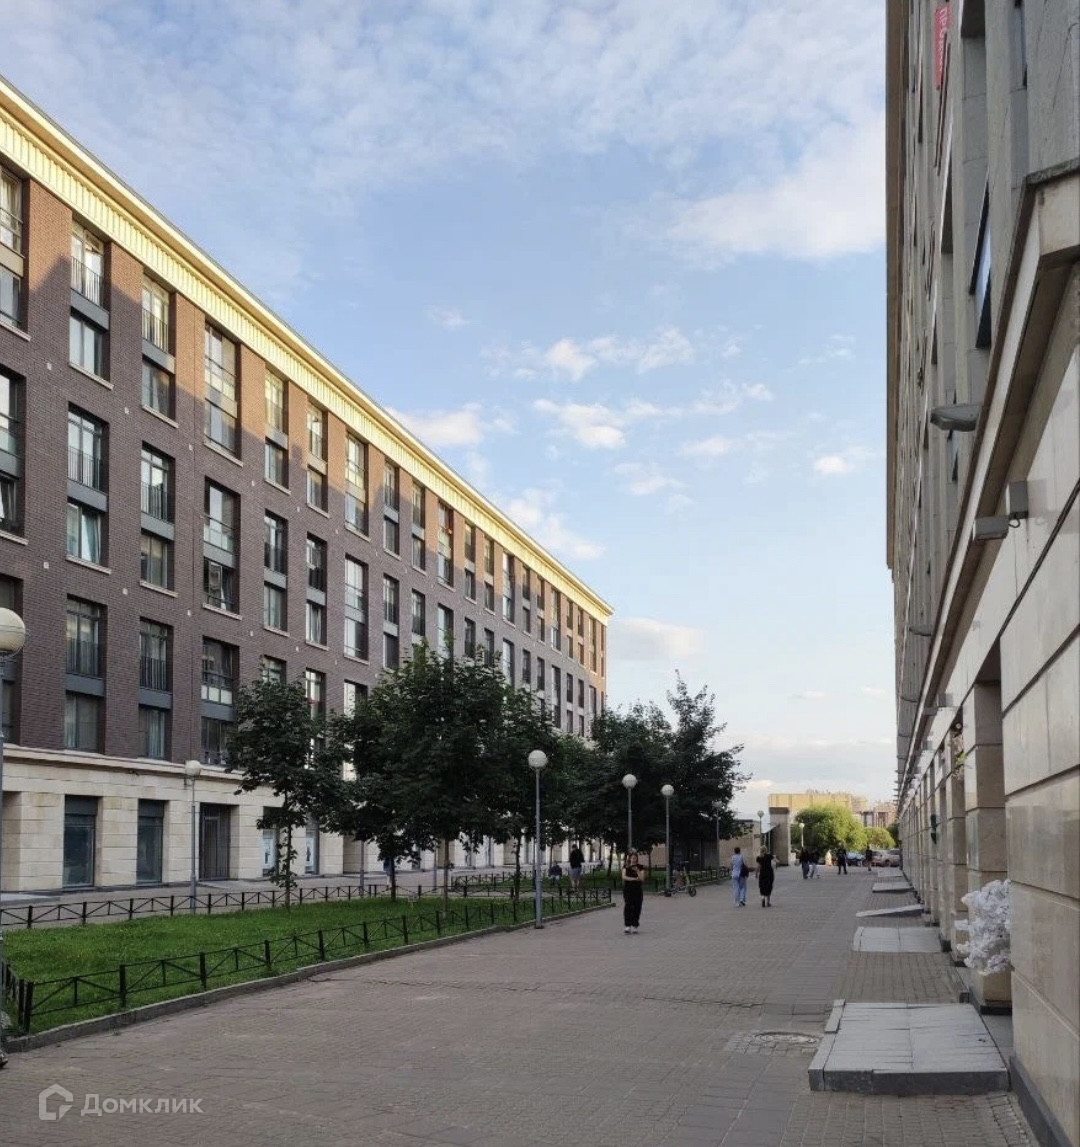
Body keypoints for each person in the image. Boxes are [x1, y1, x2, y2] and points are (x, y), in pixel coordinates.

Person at [622, 851, 645, 933]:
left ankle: (635, 925)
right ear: (630, 858)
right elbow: (624, 877)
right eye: (632, 858)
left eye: (635, 858)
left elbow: (642, 878)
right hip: (628, 890)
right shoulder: (626, 866)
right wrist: (634, 879)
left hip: (637, 890)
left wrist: (637, 871)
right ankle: (627, 925)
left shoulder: (640, 867)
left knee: (637, 907)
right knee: (628, 907)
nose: (634, 860)